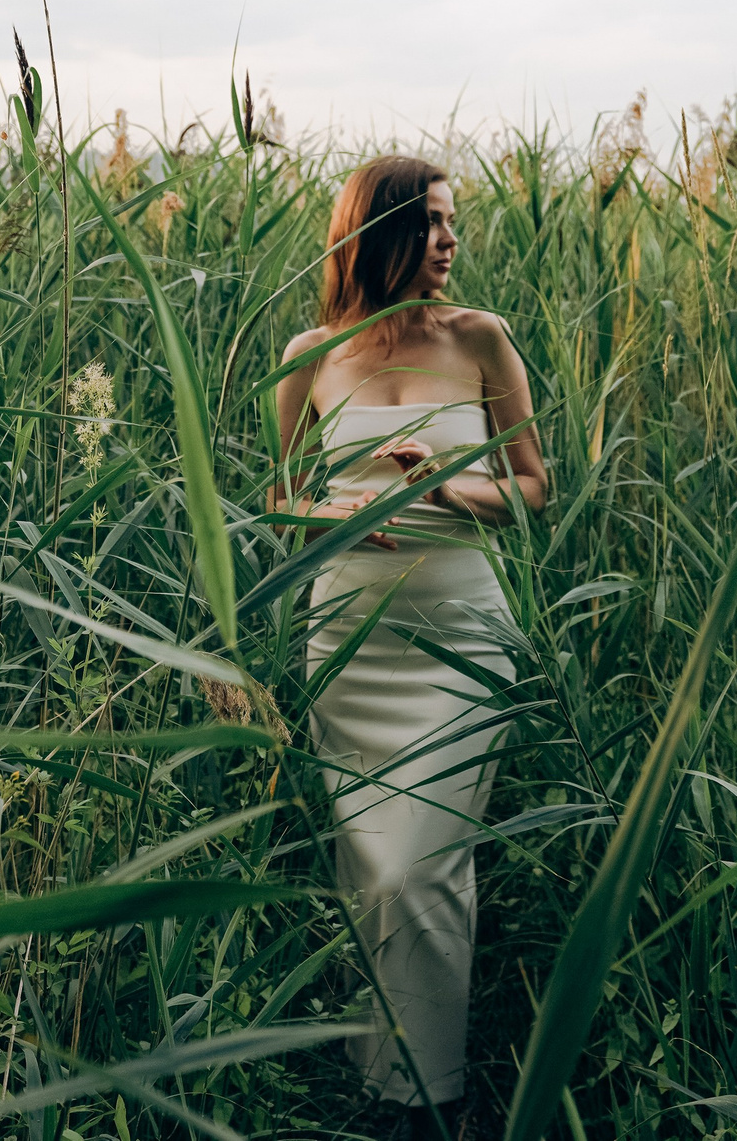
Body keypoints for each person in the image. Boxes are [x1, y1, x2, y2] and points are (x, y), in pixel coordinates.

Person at [274, 154, 548, 1126]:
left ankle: (434, 1096)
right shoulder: (312, 353)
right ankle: (373, 1076)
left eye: (451, 221)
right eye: (432, 221)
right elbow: (282, 497)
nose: (450, 239)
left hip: (459, 639)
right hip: (351, 643)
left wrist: (440, 485)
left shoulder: (481, 339)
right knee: (370, 865)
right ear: (380, 230)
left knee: (421, 863)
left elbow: (530, 487)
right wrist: (337, 512)